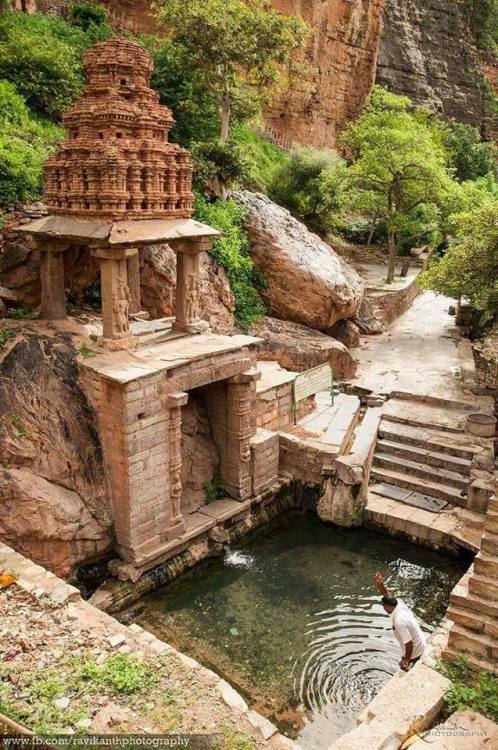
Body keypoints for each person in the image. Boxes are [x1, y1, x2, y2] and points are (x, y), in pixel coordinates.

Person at [374, 572, 427, 671]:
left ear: (388, 606)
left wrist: (406, 660)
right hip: (420, 641)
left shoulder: (399, 622)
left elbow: (409, 643)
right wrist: (380, 584)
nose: (383, 608)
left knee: (404, 669)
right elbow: (387, 594)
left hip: (416, 650)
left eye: (383, 606)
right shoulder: (399, 604)